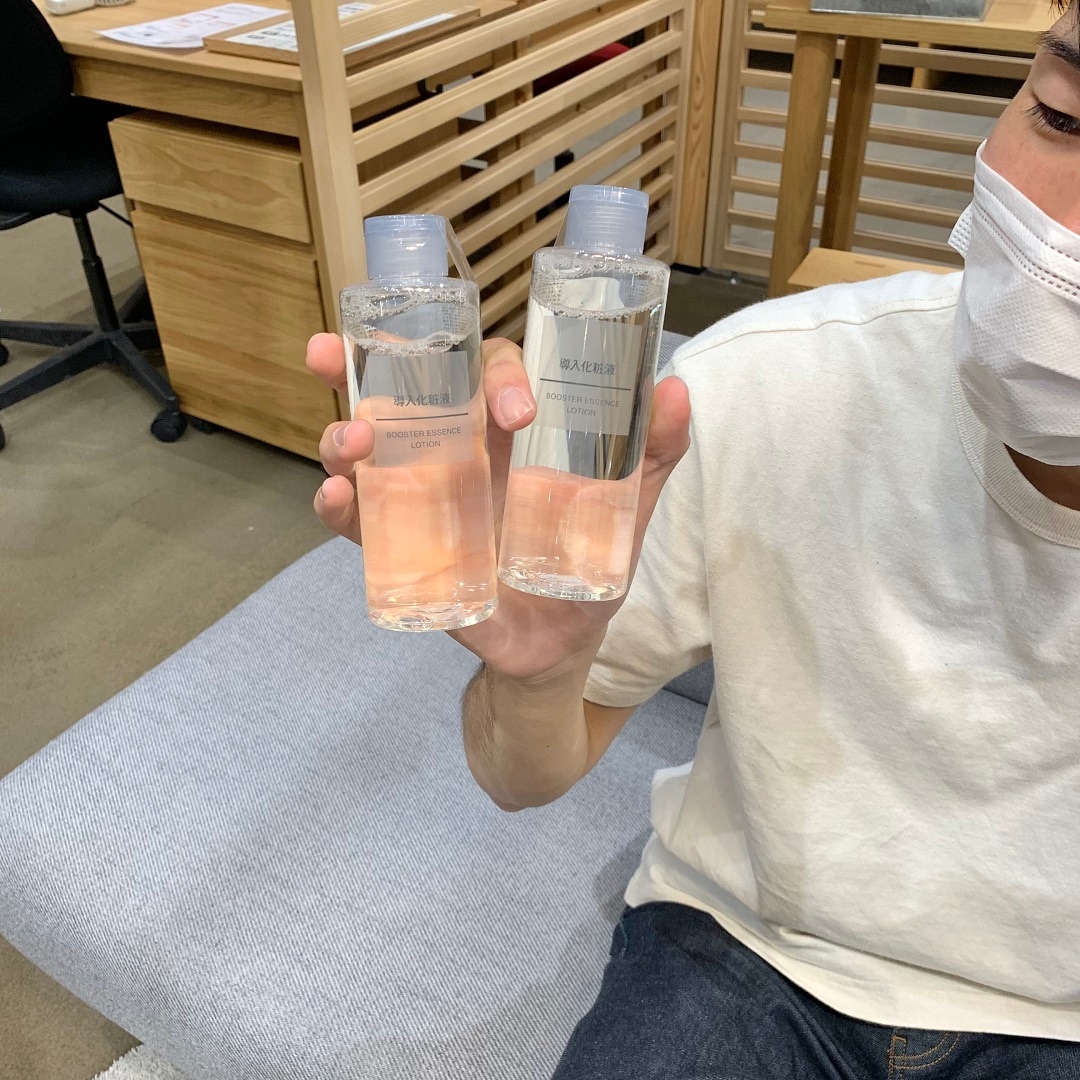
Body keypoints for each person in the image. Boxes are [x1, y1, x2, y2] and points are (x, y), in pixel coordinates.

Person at [307, 2, 1080, 1073]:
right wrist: (538, 673)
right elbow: (518, 776)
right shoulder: (765, 386)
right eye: (1063, 115)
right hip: (743, 952)